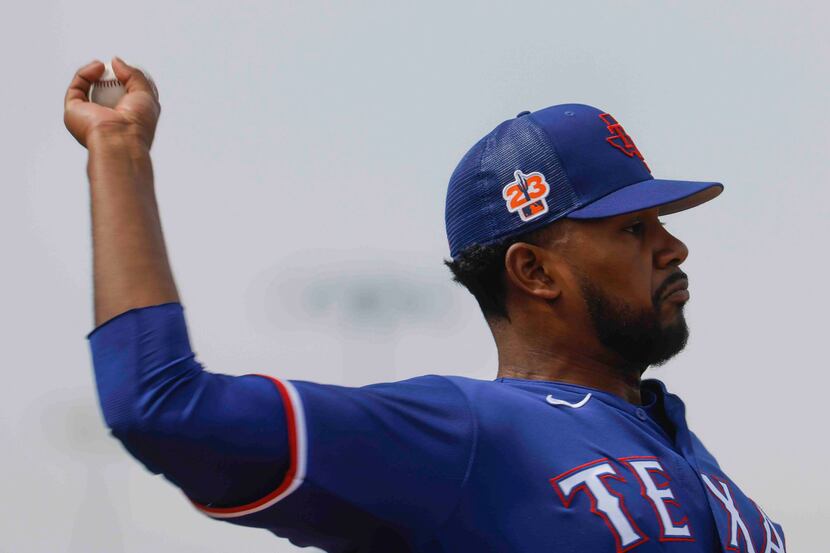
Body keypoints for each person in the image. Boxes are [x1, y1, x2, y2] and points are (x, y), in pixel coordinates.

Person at [64, 58, 786, 552]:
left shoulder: (691, 452)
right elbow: (161, 407)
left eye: (662, 223)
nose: (673, 248)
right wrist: (119, 150)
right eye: (634, 229)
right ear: (533, 271)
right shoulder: (466, 437)